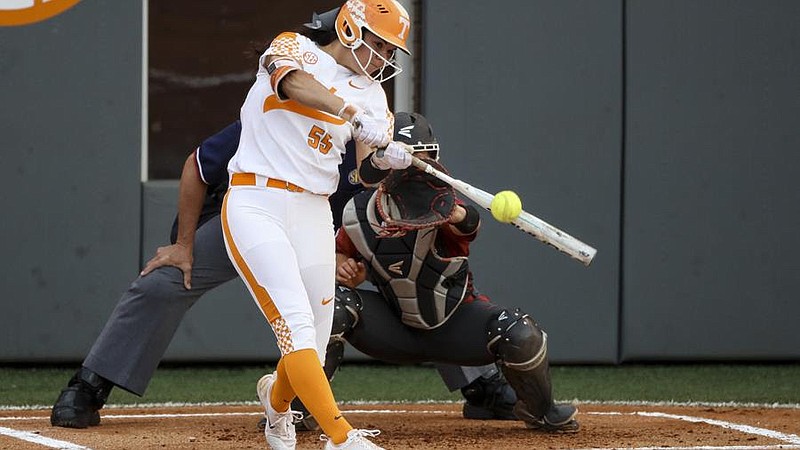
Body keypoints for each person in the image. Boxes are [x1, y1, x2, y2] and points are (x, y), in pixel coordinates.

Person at [49, 3, 512, 435]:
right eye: (379, 46)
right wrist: (184, 243)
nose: (383, 60)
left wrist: (397, 161)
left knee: (414, 270)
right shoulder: (286, 93)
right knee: (164, 282)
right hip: (252, 211)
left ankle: (480, 381)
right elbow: (198, 167)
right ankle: (91, 383)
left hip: (326, 231)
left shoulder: (375, 111)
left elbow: (393, 201)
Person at [220, 1, 416, 449]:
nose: (385, 57)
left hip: (313, 209)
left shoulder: (374, 97)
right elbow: (291, 84)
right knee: (295, 325)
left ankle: (275, 404)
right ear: (349, 29)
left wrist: (387, 158)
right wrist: (350, 114)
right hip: (256, 199)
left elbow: (364, 174)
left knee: (318, 335)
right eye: (379, 44)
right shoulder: (293, 47)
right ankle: (342, 438)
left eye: (391, 50)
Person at [326, 111, 580, 434]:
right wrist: (341, 265)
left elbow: (469, 226)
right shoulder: (357, 212)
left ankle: (535, 409)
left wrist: (453, 211)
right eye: (408, 156)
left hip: (452, 324)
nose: (416, 163)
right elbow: (338, 254)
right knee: (330, 305)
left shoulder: (444, 205)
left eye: (423, 156)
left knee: (520, 334)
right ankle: (302, 408)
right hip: (394, 328)